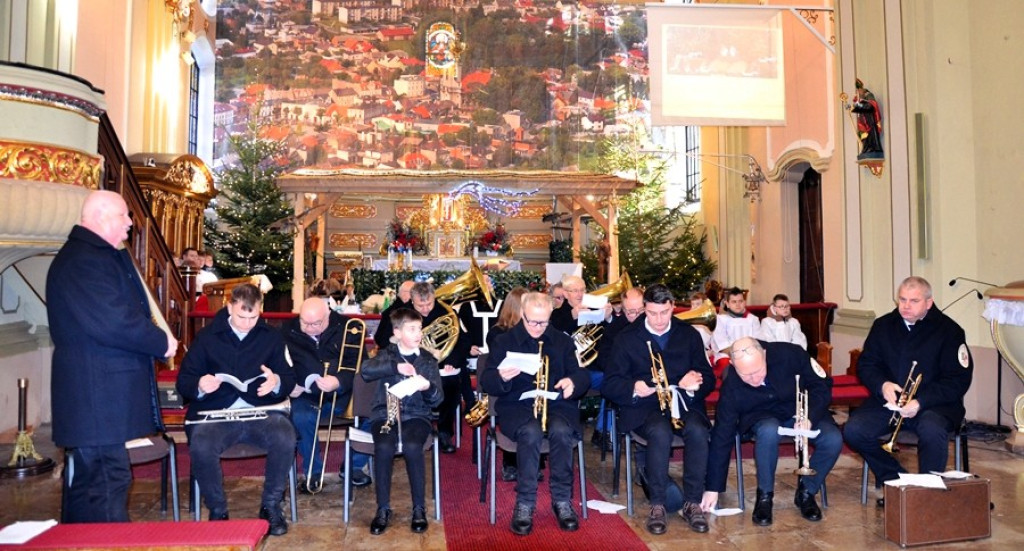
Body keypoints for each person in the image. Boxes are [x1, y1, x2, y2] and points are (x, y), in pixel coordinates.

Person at [48, 190, 178, 523]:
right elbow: (114, 320)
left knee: (96, 483)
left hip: (100, 404)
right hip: (96, 401)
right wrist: (159, 341)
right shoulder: (84, 261)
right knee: (103, 485)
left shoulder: (91, 256)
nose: (130, 224)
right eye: (124, 216)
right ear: (100, 216)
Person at [176, 283, 296, 536]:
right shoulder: (208, 337)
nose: (247, 323)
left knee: (285, 436)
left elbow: (289, 378)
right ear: (229, 307)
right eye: (242, 316)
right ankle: (218, 510)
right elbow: (184, 381)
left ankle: (271, 505)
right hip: (216, 413)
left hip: (262, 411)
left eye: (254, 317)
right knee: (202, 445)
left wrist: (276, 383)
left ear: (260, 310)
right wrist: (199, 384)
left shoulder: (271, 336)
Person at [843, 276, 973, 506]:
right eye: (902, 299)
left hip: (933, 406)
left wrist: (921, 401)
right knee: (853, 429)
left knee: (931, 430)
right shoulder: (884, 325)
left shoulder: (950, 331)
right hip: (890, 403)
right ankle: (897, 481)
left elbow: (957, 380)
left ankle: (925, 494)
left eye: (914, 301)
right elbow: (867, 364)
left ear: (929, 303)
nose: (905, 306)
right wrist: (882, 385)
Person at [602, 284, 716, 535]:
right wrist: (633, 386)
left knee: (698, 430)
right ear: (644, 309)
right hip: (644, 407)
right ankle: (657, 504)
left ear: (673, 307)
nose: (659, 319)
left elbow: (709, 378)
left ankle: (692, 502)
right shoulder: (627, 338)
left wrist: (694, 382)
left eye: (664, 312)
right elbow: (610, 384)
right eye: (652, 313)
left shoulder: (688, 334)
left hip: (683, 402)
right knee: (659, 431)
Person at [480, 292, 591, 536]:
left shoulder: (562, 341)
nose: (538, 327)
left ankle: (562, 500)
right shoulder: (505, 341)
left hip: (556, 404)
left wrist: (573, 381)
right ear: (522, 314)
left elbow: (581, 374)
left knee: (562, 431)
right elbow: (486, 380)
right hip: (517, 405)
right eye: (532, 322)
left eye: (544, 322)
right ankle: (525, 502)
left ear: (551, 316)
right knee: (529, 432)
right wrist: (500, 377)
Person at [700, 337, 841, 526]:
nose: (755, 379)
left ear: (764, 354)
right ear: (733, 365)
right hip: (762, 416)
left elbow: (822, 386)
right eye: (747, 376)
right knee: (768, 431)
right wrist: (712, 488)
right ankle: (764, 496)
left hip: (801, 411)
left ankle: (807, 491)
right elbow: (722, 434)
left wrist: (810, 417)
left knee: (833, 439)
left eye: (758, 371)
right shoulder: (732, 384)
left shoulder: (792, 353)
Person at [361, 308, 444, 535]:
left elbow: (438, 400)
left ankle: (419, 508)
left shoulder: (427, 360)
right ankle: (383, 509)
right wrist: (394, 367)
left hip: (417, 415)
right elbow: (365, 371)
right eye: (411, 329)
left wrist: (427, 387)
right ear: (397, 332)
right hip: (385, 412)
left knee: (413, 446)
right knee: (384, 446)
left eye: (419, 328)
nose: (418, 334)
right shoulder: (386, 354)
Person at [284, 297, 371, 493]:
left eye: (316, 323)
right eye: (304, 322)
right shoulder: (287, 330)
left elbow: (361, 365)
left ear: (328, 316)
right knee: (301, 418)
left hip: (343, 394)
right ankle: (313, 472)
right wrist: (289, 385)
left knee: (376, 412)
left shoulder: (350, 328)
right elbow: (278, 363)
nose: (309, 328)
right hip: (305, 395)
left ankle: (354, 466)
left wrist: (339, 381)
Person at [410, 281, 469, 453]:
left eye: (429, 303)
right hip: (414, 367)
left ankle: (444, 432)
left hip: (444, 367)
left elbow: (464, 341)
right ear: (412, 301)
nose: (426, 309)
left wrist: (453, 360)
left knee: (451, 387)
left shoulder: (447, 313)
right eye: (421, 305)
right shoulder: (404, 314)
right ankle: (421, 431)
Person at [483, 287, 532, 482]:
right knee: (514, 410)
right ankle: (511, 462)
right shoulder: (498, 334)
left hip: (527, 385)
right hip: (506, 386)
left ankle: (533, 460)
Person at [590, 286, 646, 450]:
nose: (636, 317)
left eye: (641, 311)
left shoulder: (654, 325)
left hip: (647, 379)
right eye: (631, 312)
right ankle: (605, 432)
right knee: (613, 384)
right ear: (622, 309)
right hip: (624, 377)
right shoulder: (615, 328)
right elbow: (604, 360)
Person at [712, 287, 761, 379]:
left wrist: (747, 355)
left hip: (750, 355)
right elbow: (722, 345)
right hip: (727, 355)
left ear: (744, 302)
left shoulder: (753, 319)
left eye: (740, 301)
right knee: (727, 368)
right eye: (734, 302)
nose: (738, 304)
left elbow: (757, 341)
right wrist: (738, 357)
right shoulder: (720, 320)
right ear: (727, 304)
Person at [374, 280, 415, 348]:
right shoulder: (401, 311)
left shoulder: (393, 308)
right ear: (404, 294)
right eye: (414, 292)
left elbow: (378, 338)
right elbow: (383, 340)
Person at [851, 79, 884, 161]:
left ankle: (873, 149)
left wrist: (861, 105)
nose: (858, 94)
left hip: (870, 121)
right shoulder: (860, 98)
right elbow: (856, 106)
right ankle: (866, 149)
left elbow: (871, 106)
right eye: (857, 92)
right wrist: (852, 108)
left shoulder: (869, 95)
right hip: (863, 122)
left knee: (870, 135)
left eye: (859, 92)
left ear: (862, 90)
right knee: (863, 136)